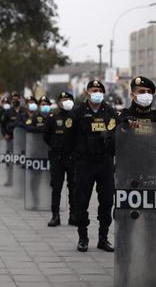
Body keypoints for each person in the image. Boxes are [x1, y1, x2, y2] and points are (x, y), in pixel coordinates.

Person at [65, 80, 117, 253]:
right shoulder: (77, 112)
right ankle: (83, 237)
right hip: (84, 163)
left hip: (105, 163)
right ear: (86, 93)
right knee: (81, 201)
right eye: (94, 90)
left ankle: (103, 238)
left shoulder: (110, 112)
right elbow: (69, 139)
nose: (97, 93)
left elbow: (117, 136)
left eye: (100, 90)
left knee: (107, 201)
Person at [43, 92, 76, 227]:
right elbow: (46, 135)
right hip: (57, 157)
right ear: (59, 102)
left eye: (68, 99)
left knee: (73, 187)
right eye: (63, 99)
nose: (65, 101)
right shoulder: (53, 117)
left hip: (72, 157)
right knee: (56, 187)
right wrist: (55, 146)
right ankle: (55, 215)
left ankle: (73, 215)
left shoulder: (76, 117)